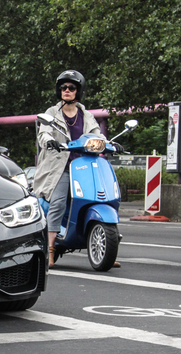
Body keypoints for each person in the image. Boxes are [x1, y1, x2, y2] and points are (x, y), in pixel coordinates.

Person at [33, 70, 118, 268]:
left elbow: (97, 134)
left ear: (78, 91)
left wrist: (110, 143)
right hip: (61, 166)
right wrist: (50, 141)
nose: (67, 91)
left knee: (104, 195)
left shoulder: (85, 114)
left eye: (71, 88)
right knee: (59, 202)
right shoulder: (51, 113)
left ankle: (107, 247)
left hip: (83, 165)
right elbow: (43, 133)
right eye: (64, 88)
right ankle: (51, 250)